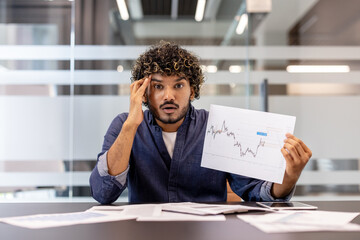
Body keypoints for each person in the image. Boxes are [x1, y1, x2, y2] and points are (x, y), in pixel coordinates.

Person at [89, 41, 312, 204]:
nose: (168, 96)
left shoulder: (217, 125)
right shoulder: (124, 126)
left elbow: (254, 190)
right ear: (144, 93)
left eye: (178, 85)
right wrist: (131, 125)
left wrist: (289, 177)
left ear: (192, 90)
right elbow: (103, 193)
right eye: (158, 86)